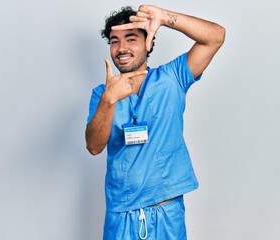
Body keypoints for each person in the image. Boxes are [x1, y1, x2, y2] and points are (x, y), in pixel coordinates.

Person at [85, 4, 225, 240]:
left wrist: (164, 18)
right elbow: (94, 146)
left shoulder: (172, 78)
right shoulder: (102, 94)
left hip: (167, 213)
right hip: (122, 214)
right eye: (114, 41)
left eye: (131, 39)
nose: (121, 48)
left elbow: (215, 37)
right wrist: (110, 99)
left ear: (148, 42)